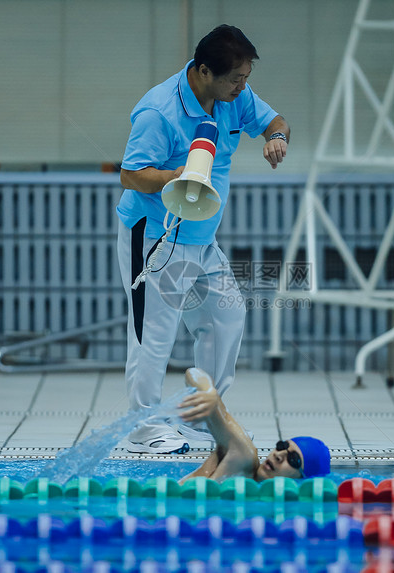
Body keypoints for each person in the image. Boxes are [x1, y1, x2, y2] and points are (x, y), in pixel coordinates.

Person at [116, 25, 291, 454]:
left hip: (202, 236)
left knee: (225, 319)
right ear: (204, 71)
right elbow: (131, 173)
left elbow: (274, 120)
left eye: (246, 78)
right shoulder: (159, 112)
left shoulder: (234, 97)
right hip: (156, 236)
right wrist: (180, 175)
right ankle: (143, 429)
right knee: (154, 332)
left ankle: (197, 418)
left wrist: (277, 138)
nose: (242, 88)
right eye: (236, 79)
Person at [178, 367, 331, 482]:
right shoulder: (242, 455)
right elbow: (194, 373)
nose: (278, 455)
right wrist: (209, 392)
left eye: (293, 459)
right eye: (282, 446)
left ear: (302, 479)